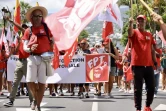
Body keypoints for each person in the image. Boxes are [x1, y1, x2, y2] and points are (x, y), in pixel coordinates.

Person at [22, 6, 54, 111]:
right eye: (35, 16)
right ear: (32, 17)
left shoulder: (46, 28)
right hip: (32, 57)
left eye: (40, 16)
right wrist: (30, 48)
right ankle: (35, 99)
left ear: (42, 17)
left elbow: (52, 41)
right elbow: (25, 47)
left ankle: (38, 105)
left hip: (44, 58)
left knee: (42, 83)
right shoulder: (28, 30)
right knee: (30, 81)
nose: (38, 18)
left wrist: (51, 50)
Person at [128, 15, 157, 111]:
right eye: (138, 21)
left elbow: (152, 49)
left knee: (152, 87)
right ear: (136, 23)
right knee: (138, 89)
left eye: (142, 21)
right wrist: (130, 23)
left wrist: (155, 61)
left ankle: (147, 105)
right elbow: (130, 32)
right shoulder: (135, 33)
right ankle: (138, 108)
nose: (140, 23)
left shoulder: (149, 34)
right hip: (137, 65)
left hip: (149, 65)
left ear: (145, 22)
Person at [3, 24, 34, 109]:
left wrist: (12, 22)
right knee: (15, 82)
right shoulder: (19, 39)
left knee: (29, 83)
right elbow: (15, 51)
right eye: (22, 28)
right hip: (19, 62)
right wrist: (19, 42)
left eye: (24, 28)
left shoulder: (30, 39)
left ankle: (32, 101)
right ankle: (11, 100)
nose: (23, 30)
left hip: (28, 62)